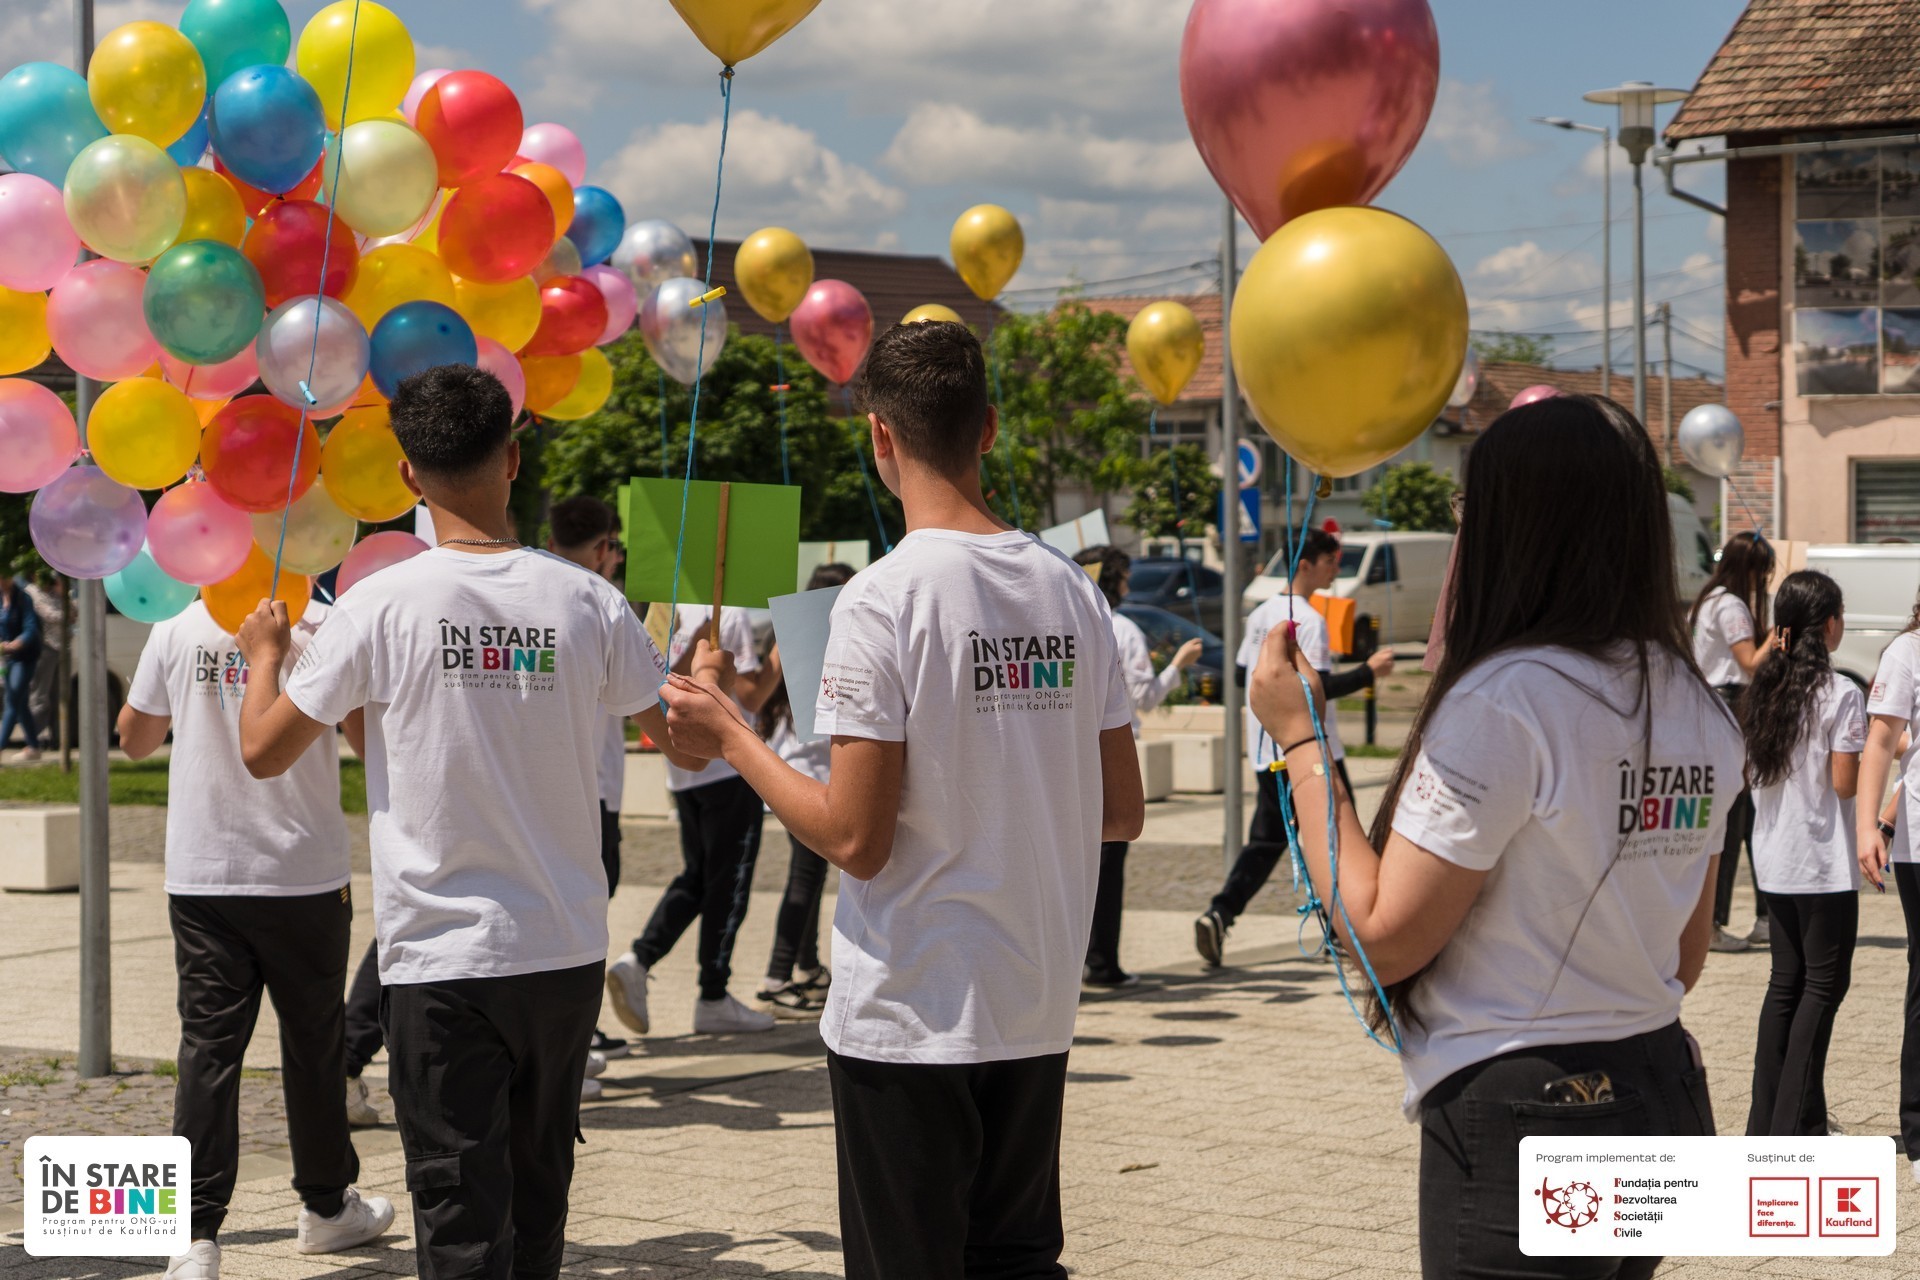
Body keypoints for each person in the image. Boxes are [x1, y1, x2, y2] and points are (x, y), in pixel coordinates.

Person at [660, 319, 1144, 1280]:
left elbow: (854, 838)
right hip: (1033, 1005)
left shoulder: (881, 599)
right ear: (989, 427)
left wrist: (733, 737)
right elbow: (1120, 810)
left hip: (912, 1013)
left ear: (878, 434)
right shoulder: (1073, 591)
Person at [234, 363, 712, 1280]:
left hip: (443, 962)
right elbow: (683, 744)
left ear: (408, 476)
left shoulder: (378, 604)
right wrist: (705, 677)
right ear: (514, 460)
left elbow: (262, 749)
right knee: (538, 1211)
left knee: (460, 1222)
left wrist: (264, 655)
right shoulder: (588, 599)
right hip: (562, 953)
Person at [1248, 393, 1740, 1280]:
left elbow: (1384, 937)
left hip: (1529, 1107)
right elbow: (1685, 954)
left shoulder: (1509, 698)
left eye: (1469, 508)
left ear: (1512, 525)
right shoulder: (1694, 701)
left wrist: (1301, 739)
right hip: (1658, 1085)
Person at [117, 597, 393, 1278]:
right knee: (314, 1043)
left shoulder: (177, 624)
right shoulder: (326, 623)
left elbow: (135, 740)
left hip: (205, 872)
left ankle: (193, 1238)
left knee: (209, 1050)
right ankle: (326, 1208)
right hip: (303, 874)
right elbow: (368, 743)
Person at [1193, 527, 1391, 966]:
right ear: (1305, 565)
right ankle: (1346, 930)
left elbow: (1243, 675)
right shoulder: (1309, 619)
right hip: (1310, 750)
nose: (1335, 570)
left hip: (1268, 751)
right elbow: (1317, 689)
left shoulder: (1260, 613)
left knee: (1268, 841)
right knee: (1338, 838)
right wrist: (1369, 672)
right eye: (1330, 562)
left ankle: (1220, 913)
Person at [606, 592, 783, 1036]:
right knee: (728, 885)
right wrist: (781, 655)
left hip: (683, 770)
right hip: (726, 766)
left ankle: (639, 960)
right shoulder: (727, 612)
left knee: (700, 878)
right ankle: (713, 995)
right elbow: (750, 696)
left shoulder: (667, 607)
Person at [1738, 570, 1863, 1137]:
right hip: (1822, 863)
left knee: (1785, 985)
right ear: (1829, 624)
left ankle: (1769, 1123)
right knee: (1822, 988)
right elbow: (1844, 784)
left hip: (1774, 859)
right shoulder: (1841, 694)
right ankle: (1792, 1132)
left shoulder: (1764, 688)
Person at [1074, 543, 1202, 987]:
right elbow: (1144, 697)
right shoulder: (1121, 628)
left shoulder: (1067, 620)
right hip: (1111, 752)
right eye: (1126, 577)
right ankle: (1102, 963)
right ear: (1116, 580)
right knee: (1108, 863)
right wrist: (1178, 665)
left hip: (1066, 755)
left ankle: (1073, 961)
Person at [547, 494, 635, 1073]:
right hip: (591, 789)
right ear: (605, 548)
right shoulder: (602, 603)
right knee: (580, 913)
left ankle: (575, 1032)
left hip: (557, 785)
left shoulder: (534, 594)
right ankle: (571, 1038)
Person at [754, 562, 857, 1017]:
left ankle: (807, 965)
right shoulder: (817, 640)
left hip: (800, 774)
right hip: (807, 778)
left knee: (811, 877)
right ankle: (776, 979)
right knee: (805, 878)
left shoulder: (802, 639)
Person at [1859, 588, 1920, 1183]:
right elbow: (1881, 741)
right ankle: (1919, 1129)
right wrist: (1870, 825)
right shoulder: (1909, 652)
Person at [1691, 530, 1777, 952]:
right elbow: (1750, 662)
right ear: (1750, 569)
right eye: (1762, 573)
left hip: (1714, 707)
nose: (1763, 582)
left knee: (1742, 816)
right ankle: (1717, 922)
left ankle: (1761, 916)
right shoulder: (1732, 606)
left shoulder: (1708, 601)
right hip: (1732, 706)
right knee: (1735, 817)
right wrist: (1777, 635)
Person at [0, 570, 43, 761]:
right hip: (8, 657)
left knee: (11, 700)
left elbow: (31, 628)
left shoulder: (23, 598)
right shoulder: (0, 599)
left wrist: (17, 643)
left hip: (25, 657)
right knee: (21, 703)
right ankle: (34, 747)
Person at [24, 572, 63, 749]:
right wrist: (67, 613)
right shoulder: (32, 592)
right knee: (39, 697)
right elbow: (49, 615)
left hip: (59, 648)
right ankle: (31, 740)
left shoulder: (54, 593)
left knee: (58, 697)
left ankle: (57, 739)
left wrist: (62, 594)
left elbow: (74, 611)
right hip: (44, 649)